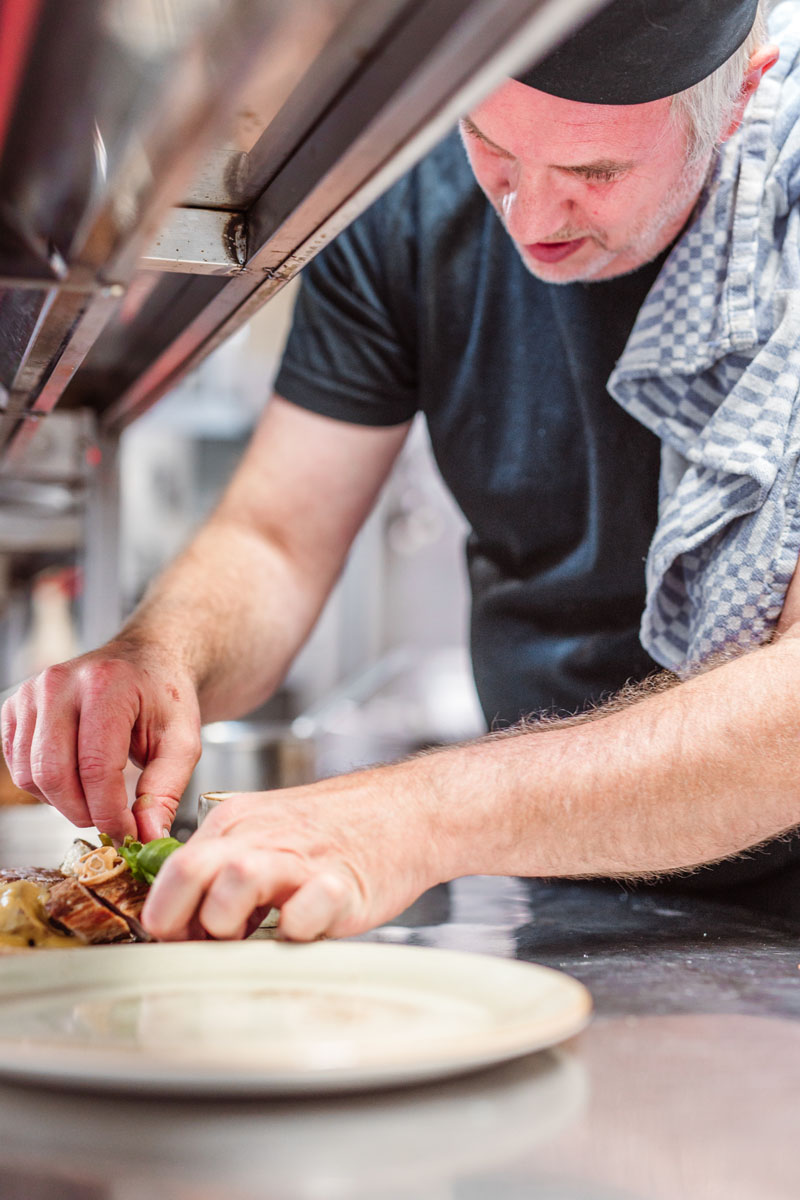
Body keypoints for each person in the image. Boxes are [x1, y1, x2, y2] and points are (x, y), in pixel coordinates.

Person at [5, 0, 800, 943]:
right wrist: (162, 654)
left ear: (743, 91)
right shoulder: (405, 205)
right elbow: (277, 539)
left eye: (597, 172)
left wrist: (411, 817)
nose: (529, 213)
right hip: (549, 880)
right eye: (489, 141)